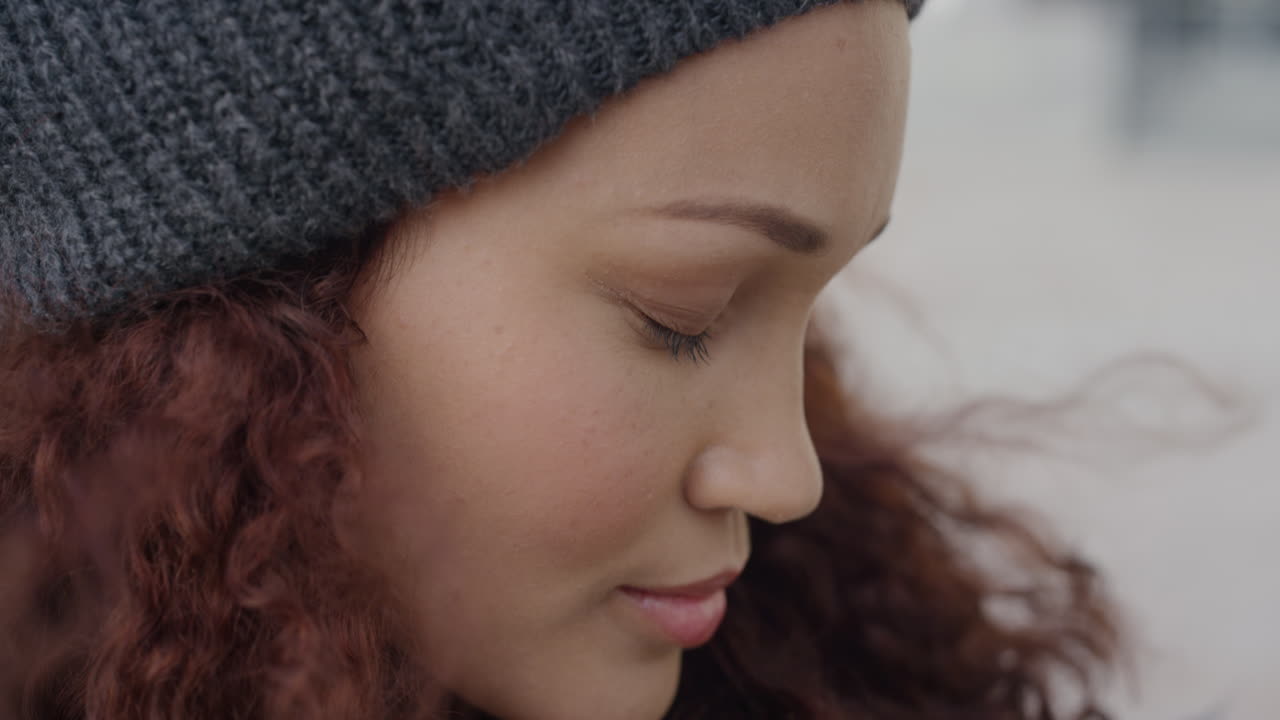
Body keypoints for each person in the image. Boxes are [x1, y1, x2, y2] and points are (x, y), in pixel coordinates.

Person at [0, 1, 1118, 718]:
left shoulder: (825, 665)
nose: (786, 477)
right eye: (678, 315)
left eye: (809, 309)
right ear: (253, 312)